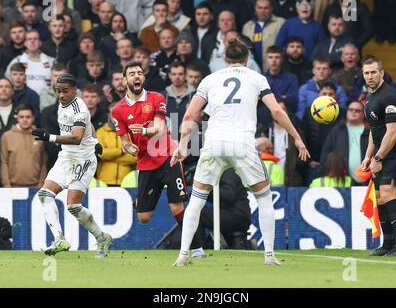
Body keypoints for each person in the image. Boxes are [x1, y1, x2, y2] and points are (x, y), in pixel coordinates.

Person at [171, 37, 310, 267]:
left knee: (195, 200)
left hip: (214, 142)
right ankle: (269, 256)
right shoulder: (257, 78)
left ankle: (183, 255)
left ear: (225, 59)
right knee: (264, 199)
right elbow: (276, 110)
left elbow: (189, 115)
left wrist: (183, 145)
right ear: (247, 59)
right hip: (242, 144)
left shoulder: (210, 79)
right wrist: (297, 138)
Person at [111, 60, 206, 258]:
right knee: (144, 217)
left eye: (139, 73)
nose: (137, 76)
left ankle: (197, 249)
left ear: (143, 77)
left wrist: (144, 131)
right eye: (132, 74)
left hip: (168, 157)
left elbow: (160, 128)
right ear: (125, 79)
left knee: (176, 206)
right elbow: (124, 142)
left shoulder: (156, 98)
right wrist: (130, 148)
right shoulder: (118, 110)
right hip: (145, 163)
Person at [31, 74, 112, 258]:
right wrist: (94, 139)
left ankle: (101, 238)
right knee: (44, 195)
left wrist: (49, 137)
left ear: (75, 90)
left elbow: (76, 138)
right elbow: (88, 124)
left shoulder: (79, 108)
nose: (61, 95)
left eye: (65, 91)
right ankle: (59, 238)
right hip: (66, 157)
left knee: (73, 206)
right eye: (58, 91)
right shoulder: (64, 103)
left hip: (82, 160)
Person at [361, 57, 396, 256]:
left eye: (374, 72)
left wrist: (378, 159)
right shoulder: (370, 98)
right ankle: (387, 243)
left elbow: (392, 133)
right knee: (380, 198)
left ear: (381, 73)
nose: (370, 76)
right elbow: (375, 130)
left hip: (395, 153)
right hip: (380, 154)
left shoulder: (389, 96)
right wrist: (368, 156)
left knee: (388, 193)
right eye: (367, 73)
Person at [321, 101, 369, 185]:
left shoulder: (369, 132)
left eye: (357, 110)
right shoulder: (337, 130)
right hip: (341, 179)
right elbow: (326, 153)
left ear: (363, 114)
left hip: (365, 180)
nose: (353, 112)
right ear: (347, 112)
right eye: (351, 109)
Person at [0, 103, 47, 187]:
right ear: (17, 118)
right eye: (21, 117)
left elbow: (43, 163)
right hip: (13, 187)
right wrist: (6, 184)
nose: (25, 120)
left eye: (28, 117)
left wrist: (41, 184)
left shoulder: (39, 136)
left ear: (33, 118)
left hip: (35, 186)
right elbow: (4, 162)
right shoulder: (7, 136)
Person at [96, 102, 137, 187]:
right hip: (104, 181)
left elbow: (135, 157)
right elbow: (101, 153)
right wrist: (121, 151)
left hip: (126, 181)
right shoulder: (101, 132)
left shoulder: (131, 133)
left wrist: (110, 157)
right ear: (108, 115)